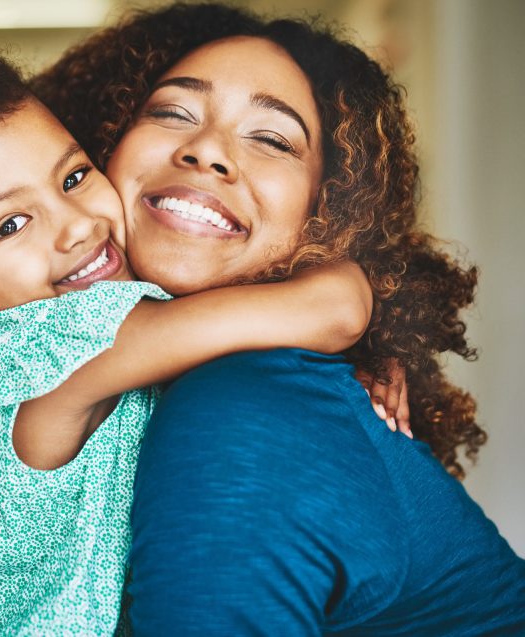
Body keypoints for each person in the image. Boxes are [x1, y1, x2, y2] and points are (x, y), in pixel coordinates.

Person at [0, 50, 383, 636]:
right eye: (11, 224)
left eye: (75, 176)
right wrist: (364, 280)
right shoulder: (47, 354)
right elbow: (336, 309)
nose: (77, 226)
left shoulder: (22, 349)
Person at [33, 3, 525, 634]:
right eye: (171, 112)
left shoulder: (239, 409)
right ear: (100, 148)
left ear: (330, 214)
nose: (207, 150)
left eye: (271, 139)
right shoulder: (79, 373)